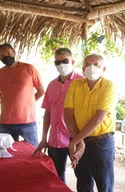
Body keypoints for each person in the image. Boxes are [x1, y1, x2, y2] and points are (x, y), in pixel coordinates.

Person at [64, 54, 117, 192]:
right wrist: (79, 142)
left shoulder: (108, 86)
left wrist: (75, 141)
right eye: (87, 65)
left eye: (96, 65)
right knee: (83, 183)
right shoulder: (75, 85)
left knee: (104, 185)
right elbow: (68, 115)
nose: (91, 68)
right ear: (82, 69)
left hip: (101, 143)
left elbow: (98, 118)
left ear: (104, 69)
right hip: (78, 139)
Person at [32, 48, 84, 182]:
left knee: (83, 178)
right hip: (56, 139)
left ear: (72, 61)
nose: (61, 65)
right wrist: (44, 138)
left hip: (77, 139)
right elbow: (48, 112)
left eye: (65, 61)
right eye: (57, 62)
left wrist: (80, 140)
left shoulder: (82, 83)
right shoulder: (51, 85)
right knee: (56, 176)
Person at [0, 43, 45, 147]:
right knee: (9, 153)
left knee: (32, 152)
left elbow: (41, 91)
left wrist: (27, 102)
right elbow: (0, 94)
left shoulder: (29, 68)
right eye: (2, 55)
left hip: (27, 121)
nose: (6, 56)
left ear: (14, 52)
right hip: (5, 122)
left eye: (9, 53)